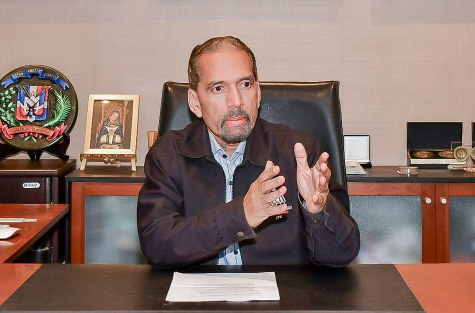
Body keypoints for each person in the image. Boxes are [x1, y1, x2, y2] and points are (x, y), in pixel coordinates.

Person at [137, 36, 359, 268]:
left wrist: (318, 213)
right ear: (195, 102)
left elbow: (342, 255)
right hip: (196, 290)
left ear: (258, 92)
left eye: (245, 85)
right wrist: (240, 215)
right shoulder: (169, 155)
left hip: (282, 290)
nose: (236, 101)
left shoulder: (299, 153)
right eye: (218, 88)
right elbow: (156, 245)